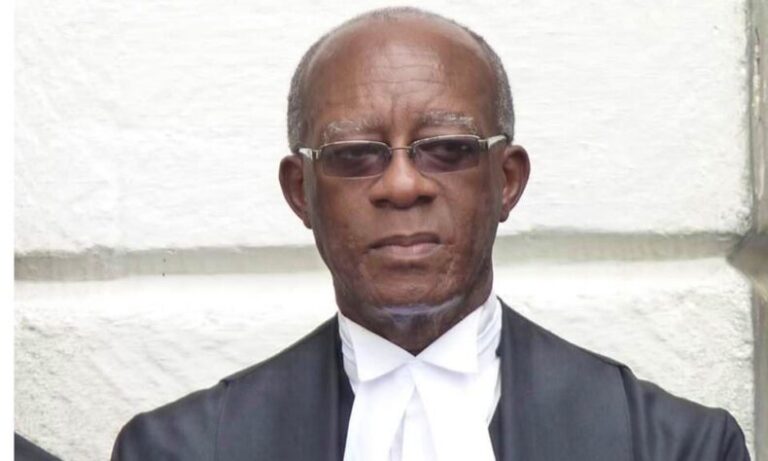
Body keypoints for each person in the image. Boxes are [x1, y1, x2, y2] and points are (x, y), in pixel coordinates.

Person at [111, 7, 750, 460]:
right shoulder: (179, 450)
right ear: (301, 192)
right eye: (354, 154)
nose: (401, 185)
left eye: (447, 149)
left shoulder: (677, 447)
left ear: (506, 181)